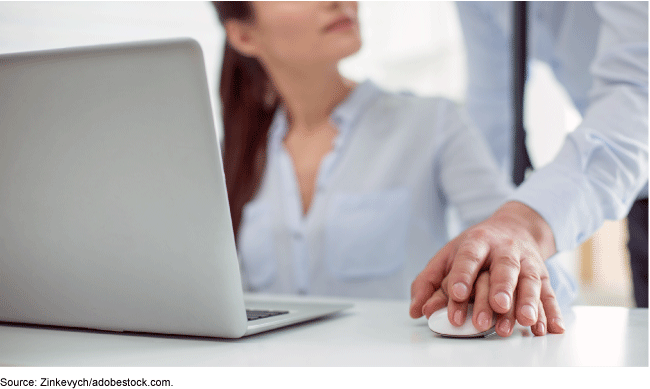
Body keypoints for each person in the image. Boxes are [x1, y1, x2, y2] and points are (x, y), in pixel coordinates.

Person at [212, 1, 574, 336]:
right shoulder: (233, 159)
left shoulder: (434, 124)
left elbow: (527, 260)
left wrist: (496, 278)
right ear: (244, 35)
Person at [410, 1, 648, 334]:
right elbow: (493, 106)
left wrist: (525, 226)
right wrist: (493, 262)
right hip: (638, 190)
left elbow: (639, 94)